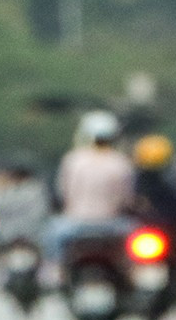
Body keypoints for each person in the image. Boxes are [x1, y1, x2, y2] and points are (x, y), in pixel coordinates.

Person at [49, 110, 135, 269]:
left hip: (75, 223)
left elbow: (63, 193)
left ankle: (56, 272)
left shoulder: (73, 160)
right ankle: (133, 274)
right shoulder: (121, 163)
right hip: (112, 224)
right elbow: (127, 198)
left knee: (50, 237)